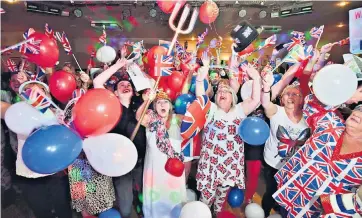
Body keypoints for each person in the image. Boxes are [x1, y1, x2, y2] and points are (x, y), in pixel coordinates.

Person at [273, 81, 362, 218]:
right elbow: (310, 102)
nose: (359, 114)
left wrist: (329, 205)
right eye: (360, 109)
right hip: (289, 195)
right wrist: (343, 95)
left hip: (313, 213)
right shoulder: (331, 124)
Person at [195, 50, 262, 215]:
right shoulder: (210, 109)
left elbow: (256, 100)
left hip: (229, 166)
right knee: (205, 201)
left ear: (233, 97)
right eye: (219, 93)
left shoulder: (239, 110)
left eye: (226, 92)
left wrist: (256, 78)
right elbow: (199, 95)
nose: (221, 93)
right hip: (210, 165)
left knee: (220, 203)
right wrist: (200, 77)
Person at [7, 80, 73, 218]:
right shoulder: (20, 112)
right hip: (30, 173)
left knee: (63, 209)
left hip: (55, 172)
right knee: (42, 211)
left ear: (47, 95)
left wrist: (64, 125)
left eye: (39, 91)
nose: (35, 94)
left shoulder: (58, 114)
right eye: (30, 91)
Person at [93, 52, 146, 218]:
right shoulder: (111, 105)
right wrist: (119, 64)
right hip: (120, 162)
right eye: (120, 85)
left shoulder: (141, 104)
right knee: (125, 202)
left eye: (127, 84)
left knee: (144, 194)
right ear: (114, 93)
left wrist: (136, 68)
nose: (125, 86)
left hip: (141, 160)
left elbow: (150, 84)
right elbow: (96, 82)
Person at [260, 65, 311, 217]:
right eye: (287, 94)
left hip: (296, 167)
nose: (290, 96)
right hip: (273, 164)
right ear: (281, 99)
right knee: (272, 191)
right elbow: (265, 104)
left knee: (289, 196)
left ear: (302, 99)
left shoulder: (310, 117)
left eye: (295, 94)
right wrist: (267, 87)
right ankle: (265, 213)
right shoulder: (276, 111)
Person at [136, 89, 186, 218]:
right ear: (154, 106)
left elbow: (194, 122)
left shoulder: (178, 119)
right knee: (155, 200)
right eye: (159, 103)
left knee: (172, 199)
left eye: (165, 102)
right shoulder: (151, 120)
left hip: (172, 170)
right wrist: (147, 100)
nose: (162, 105)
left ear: (170, 106)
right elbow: (138, 117)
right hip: (155, 171)